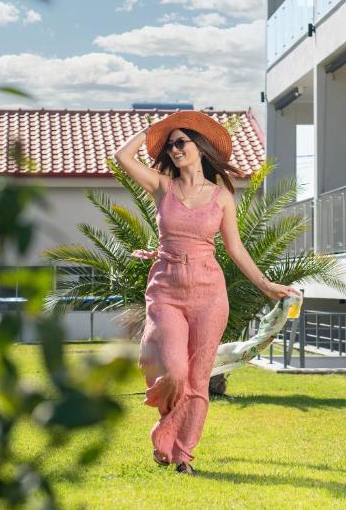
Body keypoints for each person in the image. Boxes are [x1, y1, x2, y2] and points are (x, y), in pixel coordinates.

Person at [114, 110, 301, 475]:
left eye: (180, 142)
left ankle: (183, 455)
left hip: (209, 292)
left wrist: (266, 285)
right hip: (166, 288)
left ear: (199, 147)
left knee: (198, 379)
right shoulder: (161, 186)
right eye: (169, 145)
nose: (174, 149)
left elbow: (236, 248)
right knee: (174, 370)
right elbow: (123, 157)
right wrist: (156, 128)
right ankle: (165, 429)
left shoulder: (221, 197)